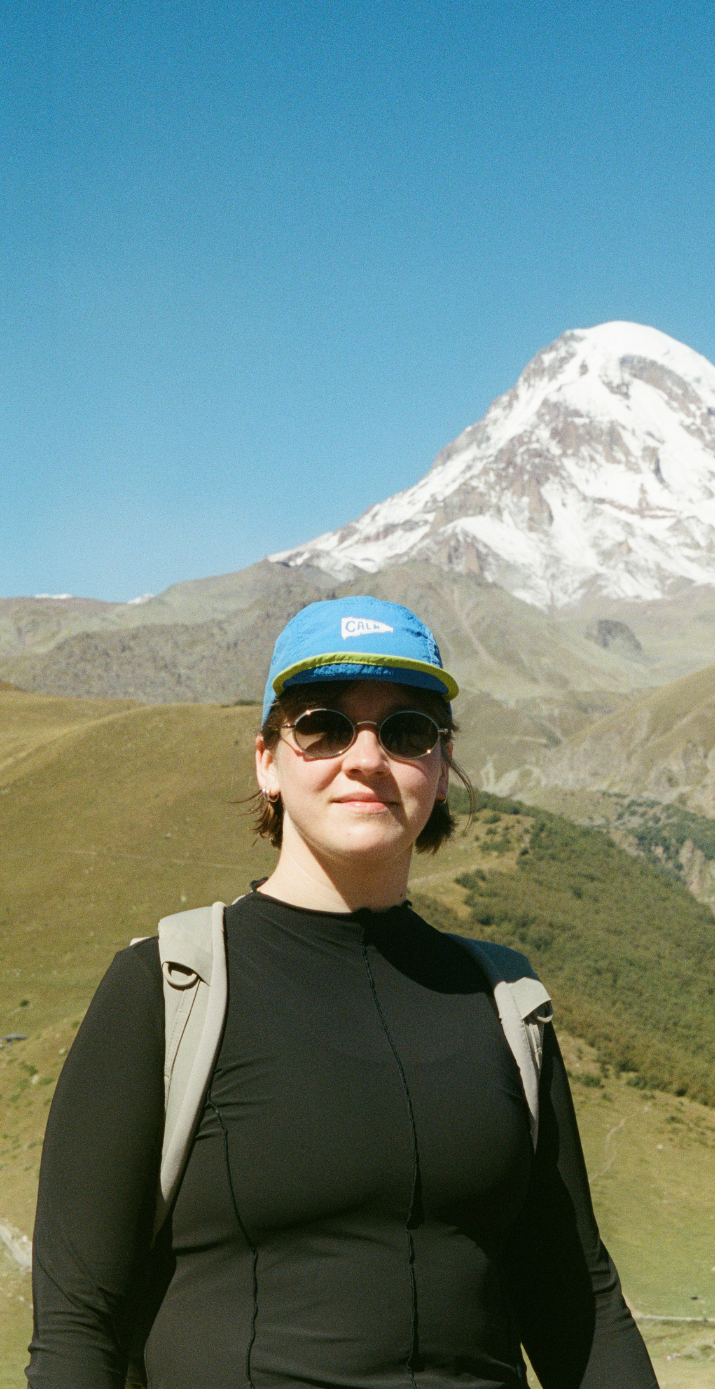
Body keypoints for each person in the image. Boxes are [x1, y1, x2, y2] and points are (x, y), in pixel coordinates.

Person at [27, 595, 659, 1389]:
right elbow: (79, 1324)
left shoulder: (503, 999)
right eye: (323, 725)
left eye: (407, 731)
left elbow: (580, 1307)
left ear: (440, 765)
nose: (367, 758)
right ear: (268, 760)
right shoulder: (169, 985)